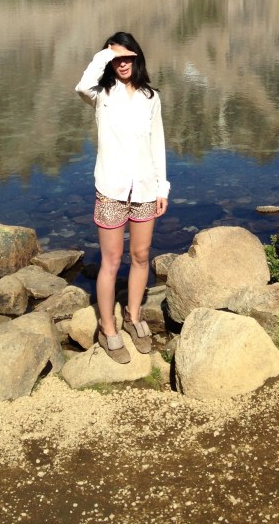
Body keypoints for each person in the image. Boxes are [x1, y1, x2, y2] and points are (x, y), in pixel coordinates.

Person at [75, 31, 169, 363]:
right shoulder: (102, 94)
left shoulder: (150, 97)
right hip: (112, 190)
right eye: (117, 59)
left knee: (141, 256)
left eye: (128, 57)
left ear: (137, 58)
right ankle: (108, 328)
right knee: (111, 261)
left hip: (144, 189)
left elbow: (157, 143)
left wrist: (162, 187)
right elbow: (81, 85)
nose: (123, 64)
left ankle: (133, 316)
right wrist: (107, 53)